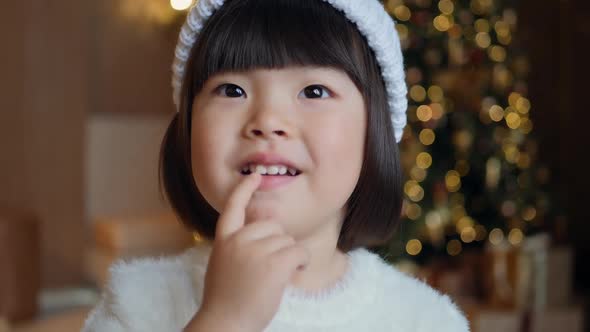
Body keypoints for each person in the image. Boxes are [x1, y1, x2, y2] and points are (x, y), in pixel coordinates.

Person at [82, 0, 470, 331]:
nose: (267, 120)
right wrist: (223, 320)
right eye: (232, 90)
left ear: (374, 132)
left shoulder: (423, 320)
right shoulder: (137, 303)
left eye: (314, 91)